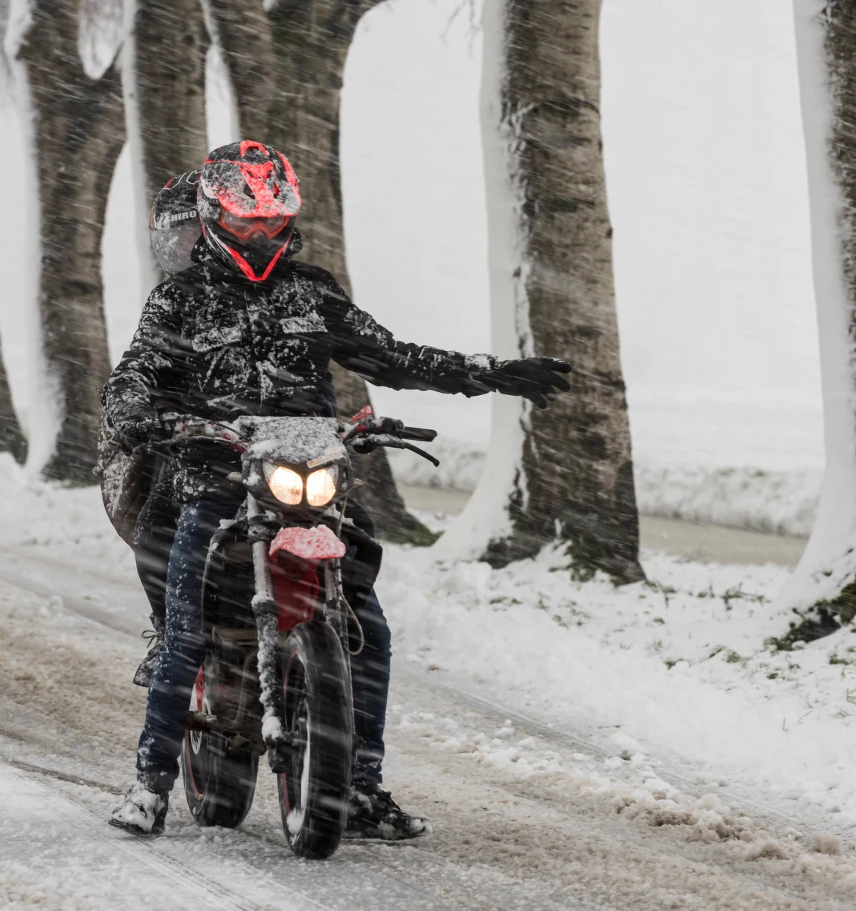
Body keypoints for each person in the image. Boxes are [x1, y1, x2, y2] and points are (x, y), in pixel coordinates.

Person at [103, 140, 571, 839]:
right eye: (246, 220)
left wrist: (490, 372)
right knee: (185, 629)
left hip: (308, 484)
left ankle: (361, 790)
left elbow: (394, 356)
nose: (261, 233)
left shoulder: (312, 291)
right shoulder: (178, 300)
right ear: (212, 216)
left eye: (273, 219)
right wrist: (140, 412)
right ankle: (149, 786)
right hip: (215, 479)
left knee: (367, 627)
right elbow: (133, 375)